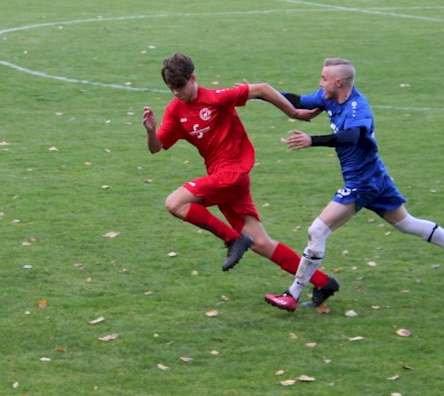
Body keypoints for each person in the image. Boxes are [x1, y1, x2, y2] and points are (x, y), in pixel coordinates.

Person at [264, 58, 444, 313]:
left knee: (318, 231)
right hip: (375, 176)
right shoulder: (328, 97)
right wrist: (259, 93)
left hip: (363, 181)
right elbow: (299, 101)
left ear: (338, 82)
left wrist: (312, 140)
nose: (320, 83)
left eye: (324, 79)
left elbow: (351, 136)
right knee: (406, 223)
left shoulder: (358, 107)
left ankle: (292, 294)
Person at [142, 53, 340, 305]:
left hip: (233, 173)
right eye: (171, 88)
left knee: (174, 202)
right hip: (224, 179)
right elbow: (156, 148)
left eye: (180, 86)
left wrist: (295, 112)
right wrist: (150, 131)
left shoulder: (215, 98)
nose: (176, 93)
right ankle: (324, 282)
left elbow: (262, 89)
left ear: (193, 78)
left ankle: (233, 239)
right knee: (261, 243)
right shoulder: (175, 110)